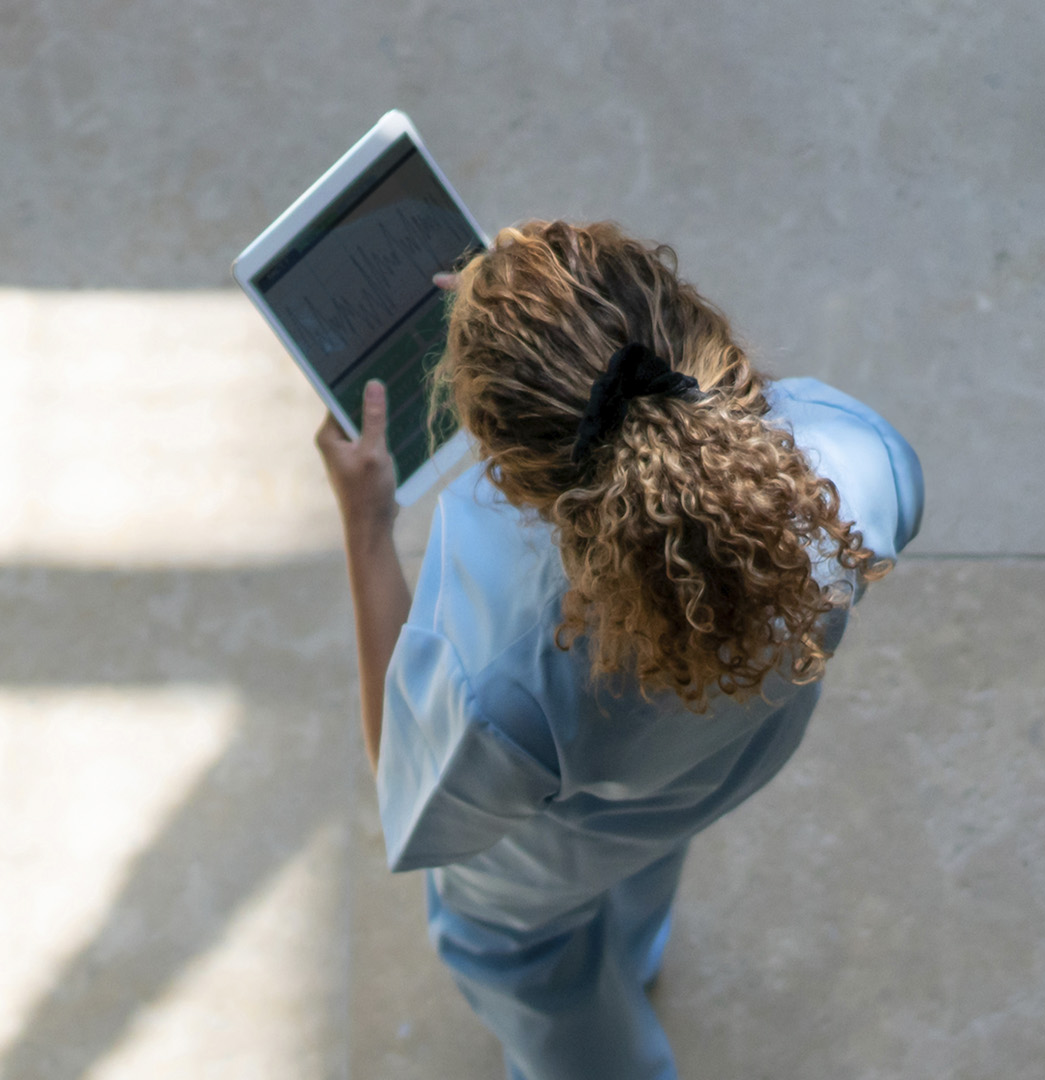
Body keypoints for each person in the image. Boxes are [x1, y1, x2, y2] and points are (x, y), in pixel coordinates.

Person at [314, 220, 923, 1080]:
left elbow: (410, 788)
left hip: (561, 853)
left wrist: (367, 525)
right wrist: (557, 328)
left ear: (507, 473)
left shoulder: (501, 665)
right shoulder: (859, 461)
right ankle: (635, 954)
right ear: (694, 324)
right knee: (643, 862)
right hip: (724, 767)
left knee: (518, 959)